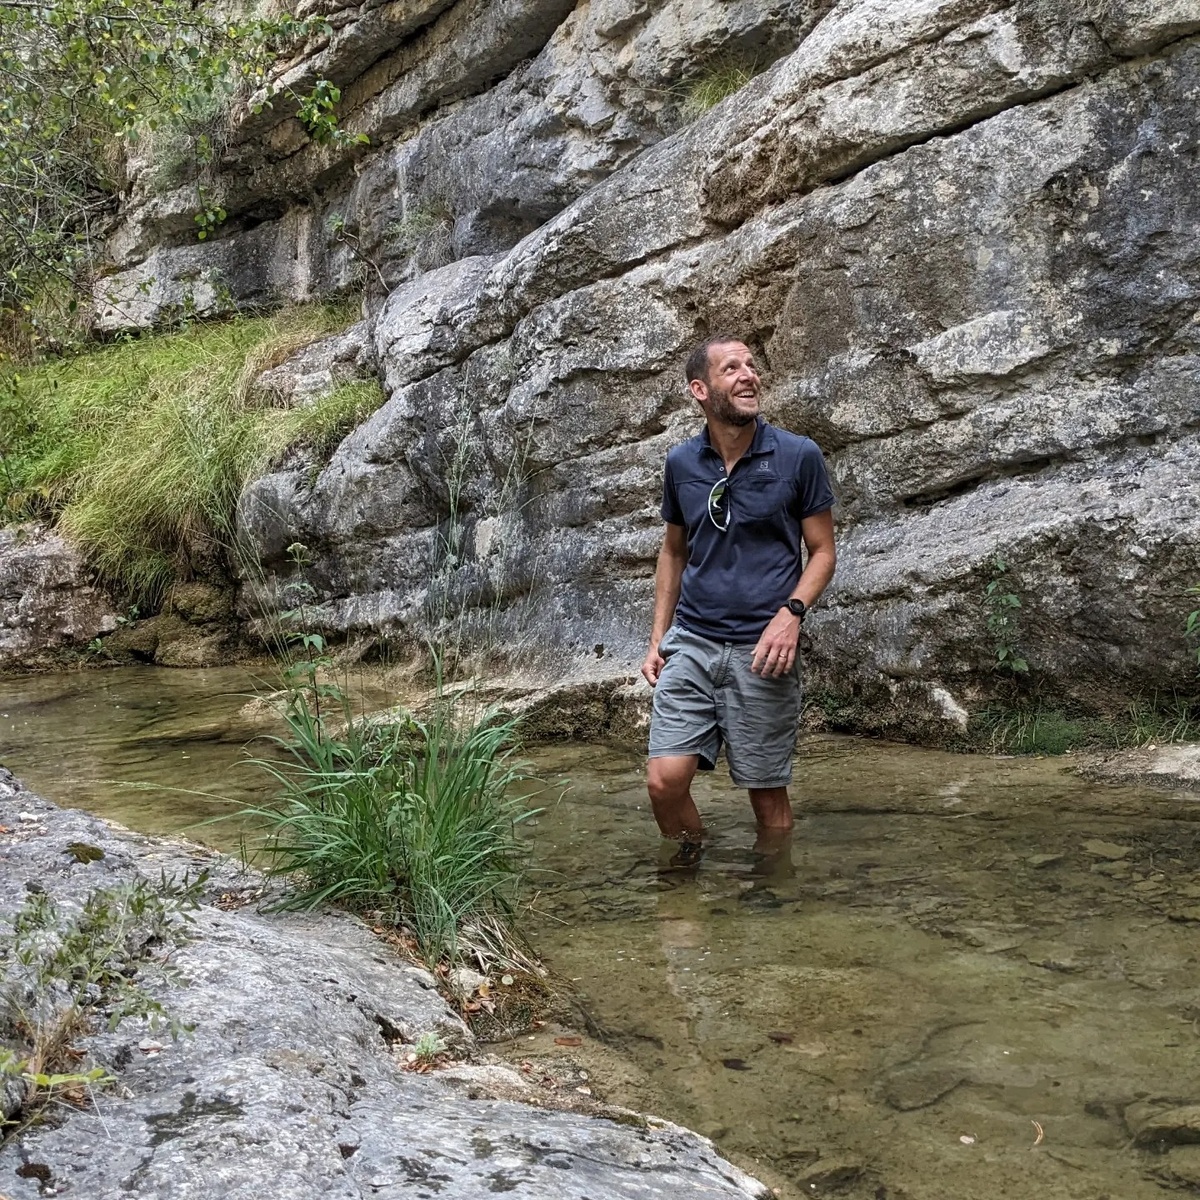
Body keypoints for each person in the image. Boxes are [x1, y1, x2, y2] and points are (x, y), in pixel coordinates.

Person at [640, 333, 837, 845]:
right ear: (700, 390)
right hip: (693, 641)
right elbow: (673, 552)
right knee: (664, 783)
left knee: (766, 796)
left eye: (751, 365)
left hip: (762, 650)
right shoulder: (681, 463)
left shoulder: (798, 455)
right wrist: (658, 637)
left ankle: (771, 887)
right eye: (732, 368)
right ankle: (691, 869)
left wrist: (791, 614)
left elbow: (823, 552)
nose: (749, 375)